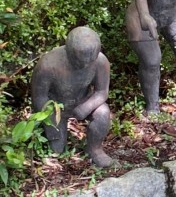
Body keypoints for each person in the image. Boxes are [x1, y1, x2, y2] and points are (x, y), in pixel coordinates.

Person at [30, 26, 114, 167]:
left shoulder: (100, 62)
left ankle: (95, 149)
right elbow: (39, 97)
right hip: (55, 105)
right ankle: (56, 145)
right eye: (80, 61)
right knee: (57, 150)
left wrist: (86, 107)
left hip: (83, 100)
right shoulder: (48, 65)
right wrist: (50, 119)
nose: (85, 65)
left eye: (90, 61)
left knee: (103, 114)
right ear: (68, 52)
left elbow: (102, 92)